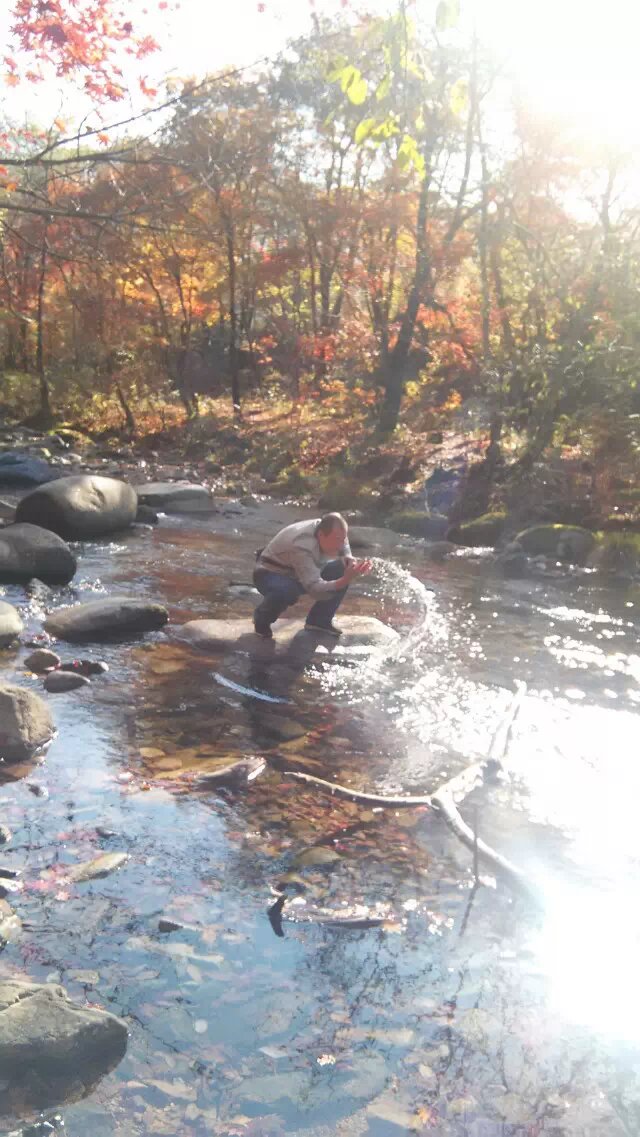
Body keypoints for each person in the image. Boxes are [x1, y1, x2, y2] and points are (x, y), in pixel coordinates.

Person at [252, 512, 372, 639]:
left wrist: (347, 556)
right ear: (321, 535)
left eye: (342, 538)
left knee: (342, 567)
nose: (340, 544)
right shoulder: (302, 545)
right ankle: (261, 619)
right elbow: (314, 588)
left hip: (297, 571)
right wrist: (346, 579)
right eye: (337, 540)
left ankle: (319, 621)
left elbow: (343, 540)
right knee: (287, 591)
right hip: (269, 573)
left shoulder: (326, 528)